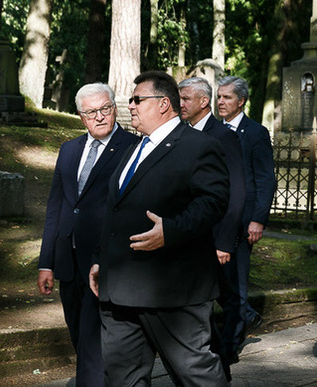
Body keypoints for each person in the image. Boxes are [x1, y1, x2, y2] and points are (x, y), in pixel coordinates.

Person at [89, 71, 229, 385]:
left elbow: (214, 202)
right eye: (130, 100)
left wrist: (172, 230)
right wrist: (101, 259)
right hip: (119, 290)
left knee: (196, 376)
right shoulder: (131, 149)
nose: (131, 106)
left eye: (138, 99)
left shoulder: (199, 146)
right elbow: (116, 211)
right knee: (123, 380)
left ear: (164, 104)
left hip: (172, 290)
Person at [37, 83, 138, 386]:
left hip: (104, 262)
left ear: (114, 109)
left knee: (94, 341)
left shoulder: (133, 148)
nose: (99, 117)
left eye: (105, 109)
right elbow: (56, 207)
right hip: (68, 260)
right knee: (79, 334)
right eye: (91, 112)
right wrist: (46, 263)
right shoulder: (69, 149)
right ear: (81, 117)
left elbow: (131, 211)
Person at [179, 76, 247, 368]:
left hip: (216, 236)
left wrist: (224, 241)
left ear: (202, 102)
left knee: (228, 297)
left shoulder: (223, 136)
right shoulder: (183, 133)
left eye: (185, 99)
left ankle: (227, 349)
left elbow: (236, 191)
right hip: (191, 234)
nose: (179, 104)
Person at [217, 76, 276, 346]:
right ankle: (246, 315)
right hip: (219, 219)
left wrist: (257, 220)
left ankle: (235, 338)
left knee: (237, 280)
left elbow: (265, 179)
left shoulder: (255, 133)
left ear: (241, 102)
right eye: (218, 96)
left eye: (226, 97)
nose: (221, 102)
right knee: (217, 278)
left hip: (243, 221)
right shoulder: (216, 130)